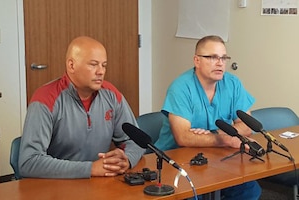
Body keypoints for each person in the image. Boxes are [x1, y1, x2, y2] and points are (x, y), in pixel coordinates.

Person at [19, 36, 145, 179]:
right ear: (71, 65)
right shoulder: (45, 99)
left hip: (98, 184)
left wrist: (126, 160)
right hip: (56, 186)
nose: (101, 71)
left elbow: (136, 141)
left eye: (104, 65)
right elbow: (29, 162)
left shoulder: (111, 94)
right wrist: (90, 169)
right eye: (93, 64)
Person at [154, 35, 261, 199]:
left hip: (217, 157)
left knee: (249, 190)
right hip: (176, 160)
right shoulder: (181, 88)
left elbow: (246, 125)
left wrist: (215, 135)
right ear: (196, 61)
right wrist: (228, 139)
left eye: (223, 58)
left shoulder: (232, 83)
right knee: (192, 195)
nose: (220, 63)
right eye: (212, 57)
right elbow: (183, 137)